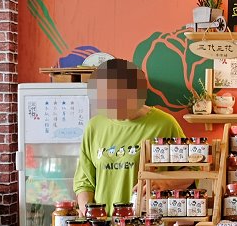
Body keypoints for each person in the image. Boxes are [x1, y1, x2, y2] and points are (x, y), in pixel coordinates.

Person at [73, 59, 182, 214]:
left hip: (149, 225)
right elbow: (84, 181)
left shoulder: (165, 124)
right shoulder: (94, 126)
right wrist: (88, 212)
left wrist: (164, 182)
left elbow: (191, 172)